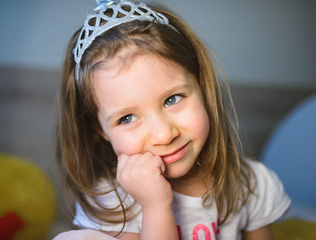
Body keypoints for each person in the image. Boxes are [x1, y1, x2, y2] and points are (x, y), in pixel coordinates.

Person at [54, 0, 290, 239]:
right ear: (101, 130)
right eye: (127, 118)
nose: (164, 134)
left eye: (172, 99)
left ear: (201, 86)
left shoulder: (252, 184)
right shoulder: (110, 203)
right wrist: (156, 207)